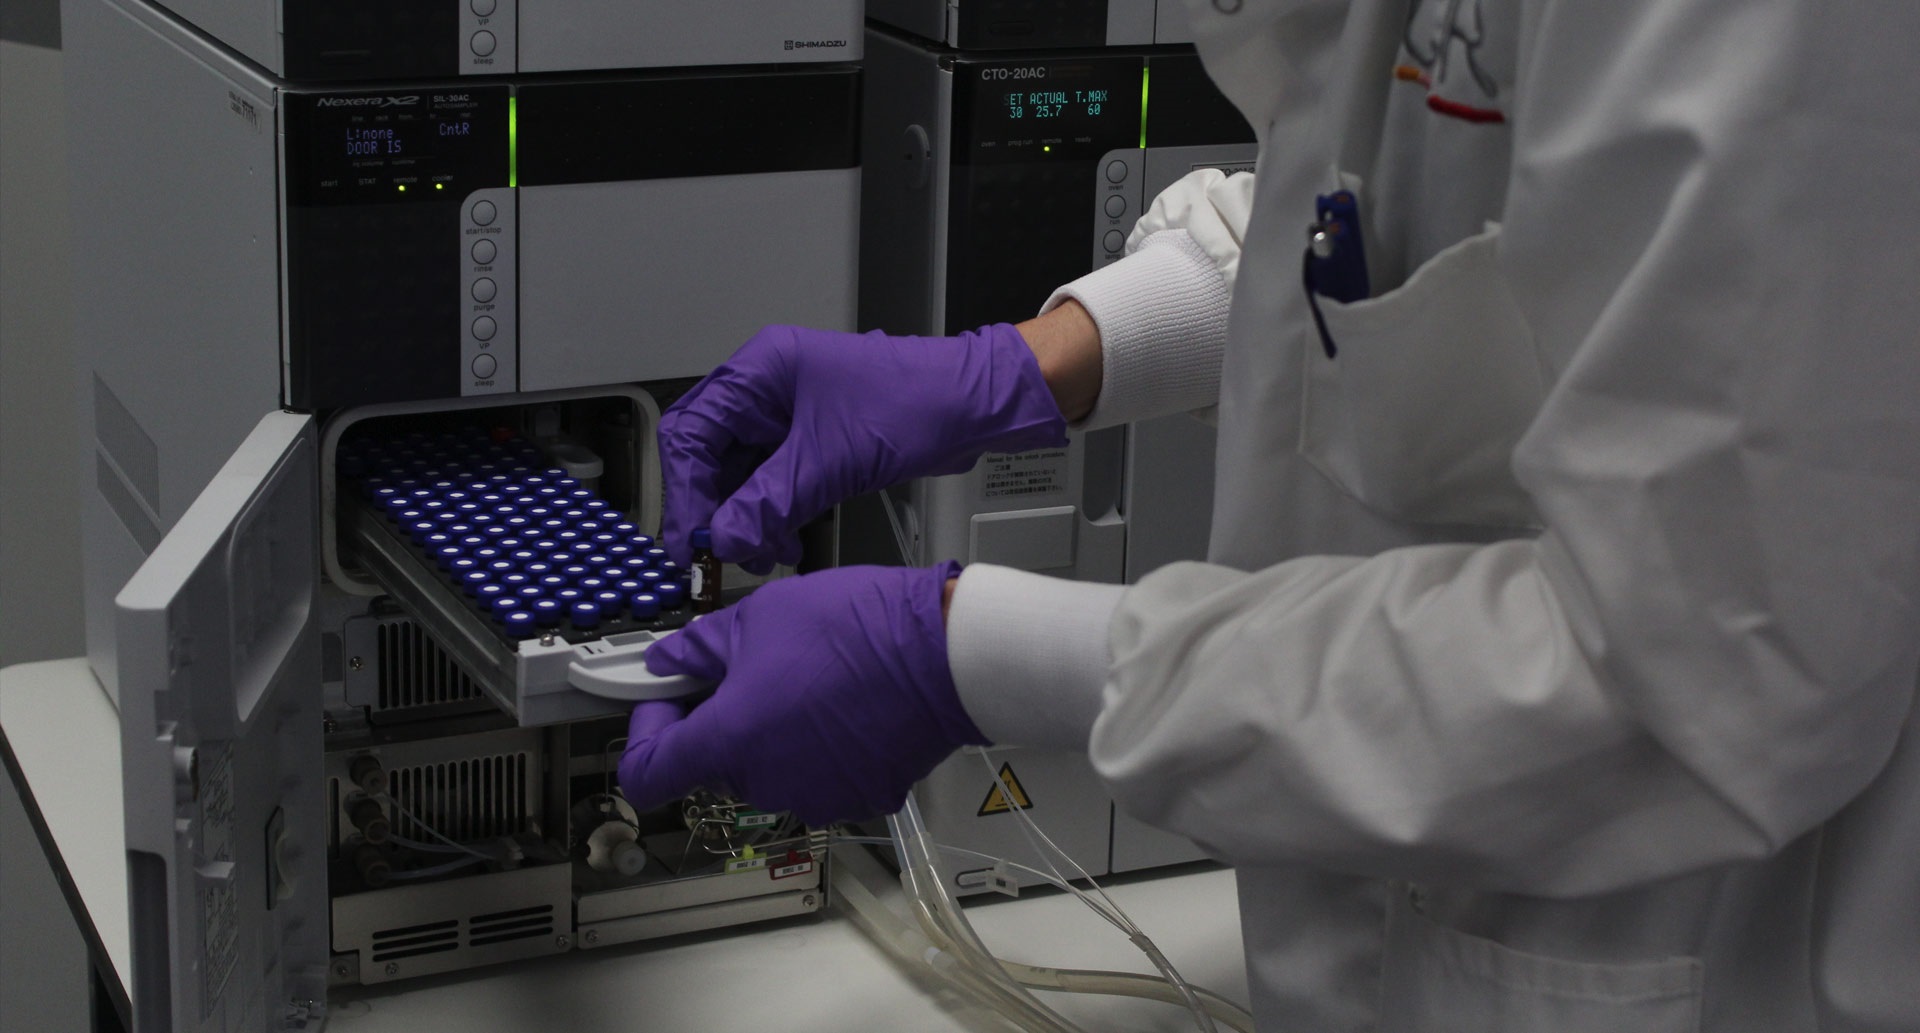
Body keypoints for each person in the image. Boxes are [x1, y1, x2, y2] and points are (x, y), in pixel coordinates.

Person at [620, 0, 1920, 1029]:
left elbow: (1691, 660)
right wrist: (1036, 361)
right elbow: (1404, 213)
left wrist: (968, 653)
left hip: (1700, 964)